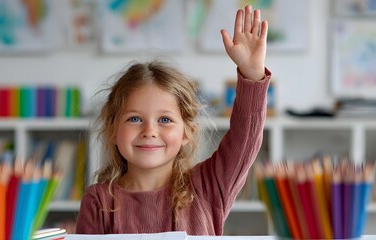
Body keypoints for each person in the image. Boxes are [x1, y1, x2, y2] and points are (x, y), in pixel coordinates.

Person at [76, 5, 271, 235]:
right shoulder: (98, 200)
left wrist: (252, 74)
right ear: (112, 131)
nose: (149, 131)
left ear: (187, 132)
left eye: (165, 120)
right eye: (135, 118)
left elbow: (245, 140)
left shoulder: (207, 186)